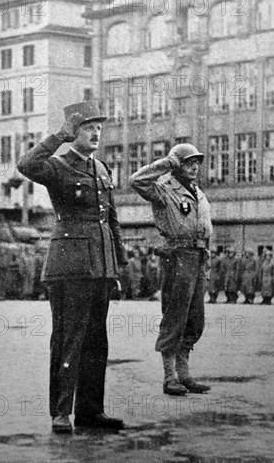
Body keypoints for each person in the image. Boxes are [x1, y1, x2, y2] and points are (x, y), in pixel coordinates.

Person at [17, 101, 127, 433]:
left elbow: (112, 221)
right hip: (70, 266)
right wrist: (57, 137)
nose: (95, 133)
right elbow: (26, 164)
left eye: (98, 128)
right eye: (87, 128)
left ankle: (91, 411)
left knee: (97, 341)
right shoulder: (58, 165)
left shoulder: (102, 169)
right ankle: (61, 411)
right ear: (73, 132)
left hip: (100, 267)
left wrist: (117, 266)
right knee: (69, 339)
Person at [130, 143, 212, 396]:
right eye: (188, 162)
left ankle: (184, 374)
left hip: (198, 256)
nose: (195, 166)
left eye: (197, 162)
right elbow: (136, 180)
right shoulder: (164, 189)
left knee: (195, 317)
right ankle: (169, 376)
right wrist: (166, 163)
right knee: (175, 315)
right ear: (177, 164)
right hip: (176, 255)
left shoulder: (197, 192)